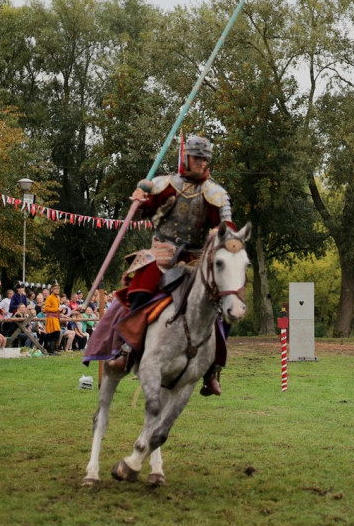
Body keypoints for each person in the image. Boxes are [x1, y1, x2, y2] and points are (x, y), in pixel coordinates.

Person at [84, 135, 235, 396]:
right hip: (162, 251)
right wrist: (139, 200)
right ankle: (128, 350)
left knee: (225, 301)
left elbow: (227, 227)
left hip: (197, 258)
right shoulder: (163, 185)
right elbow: (143, 212)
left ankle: (212, 371)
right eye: (197, 158)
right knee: (141, 287)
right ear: (186, 158)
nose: (201, 163)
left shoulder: (216, 193)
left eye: (205, 159)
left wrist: (218, 234)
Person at [42, 284, 62, 354]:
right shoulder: (49, 297)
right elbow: (46, 308)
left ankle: (50, 349)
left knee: (55, 333)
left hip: (56, 317)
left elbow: (57, 308)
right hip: (51, 318)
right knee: (54, 333)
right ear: (52, 290)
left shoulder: (57, 298)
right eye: (55, 288)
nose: (57, 290)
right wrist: (57, 309)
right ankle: (51, 350)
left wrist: (60, 310)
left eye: (58, 288)